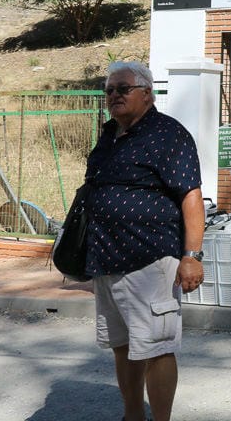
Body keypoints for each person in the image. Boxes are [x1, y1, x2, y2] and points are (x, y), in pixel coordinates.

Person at [85, 62, 204, 421]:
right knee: (122, 347)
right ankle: (133, 414)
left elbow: (191, 197)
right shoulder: (109, 134)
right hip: (107, 260)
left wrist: (191, 256)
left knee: (157, 348)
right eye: (109, 90)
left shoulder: (168, 135)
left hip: (150, 261)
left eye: (122, 89)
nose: (114, 96)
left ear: (146, 93)